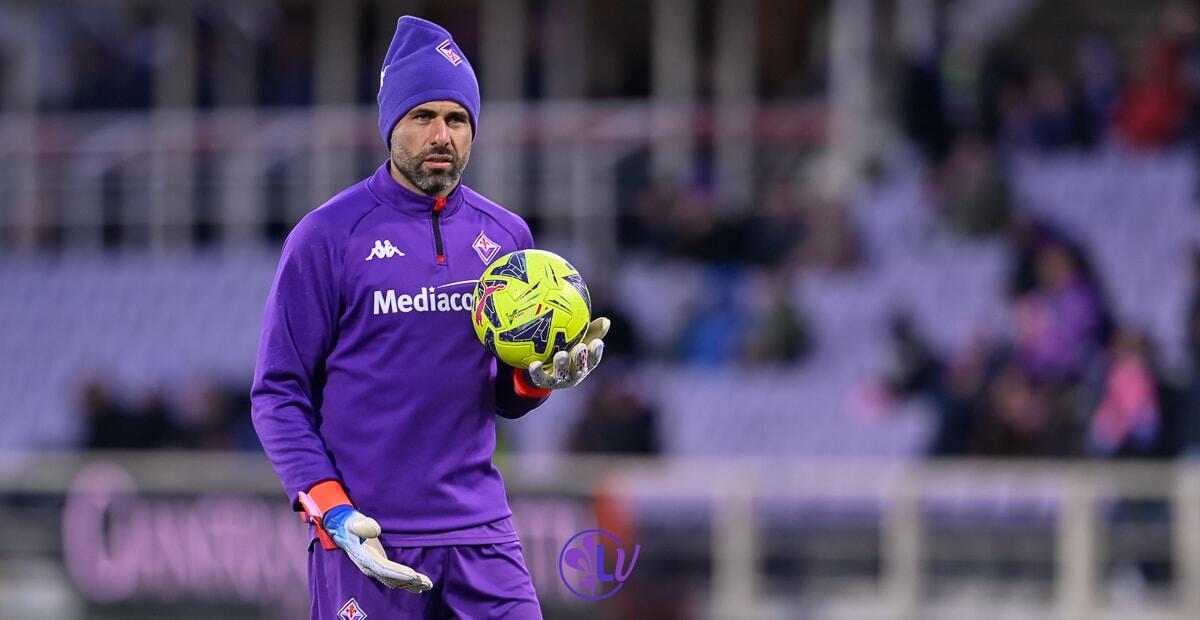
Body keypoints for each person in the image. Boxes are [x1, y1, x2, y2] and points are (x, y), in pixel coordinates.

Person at [251, 16, 608, 620]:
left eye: (457, 119)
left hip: (481, 535)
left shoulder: (508, 239)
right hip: (368, 537)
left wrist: (536, 381)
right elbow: (277, 395)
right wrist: (332, 512)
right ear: (391, 124)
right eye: (423, 116)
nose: (442, 135)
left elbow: (501, 395)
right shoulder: (326, 237)